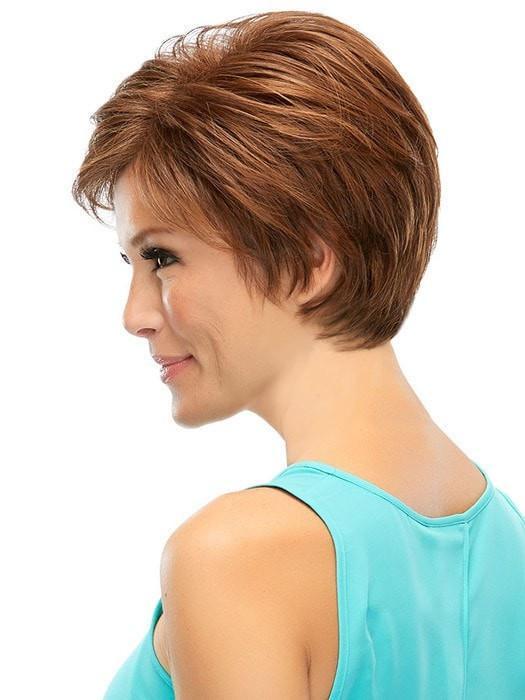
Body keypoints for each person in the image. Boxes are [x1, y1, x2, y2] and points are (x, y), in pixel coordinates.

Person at [71, 10, 525, 699]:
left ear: (309, 262)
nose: (135, 316)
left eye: (161, 258)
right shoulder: (506, 540)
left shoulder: (236, 558)